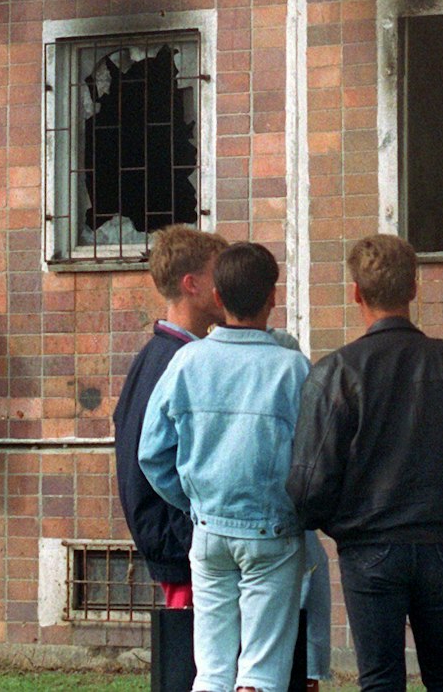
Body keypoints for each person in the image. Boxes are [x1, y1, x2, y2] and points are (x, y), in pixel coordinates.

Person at [288, 234, 443, 692]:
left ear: (356, 292)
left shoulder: (336, 373)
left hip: (368, 548)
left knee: (379, 680)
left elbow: (309, 486)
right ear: (414, 288)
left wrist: (338, 522)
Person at [141, 242, 311, 692]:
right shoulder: (293, 369)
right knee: (262, 669)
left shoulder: (186, 361)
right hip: (273, 530)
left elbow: (151, 454)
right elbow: (315, 457)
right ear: (272, 297)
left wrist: (194, 501)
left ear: (217, 298)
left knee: (212, 669)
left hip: (208, 529)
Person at [114, 226, 228, 612]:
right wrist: (192, 532)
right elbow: (150, 460)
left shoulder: (159, 355)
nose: (227, 285)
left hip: (178, 545)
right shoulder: (176, 362)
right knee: (199, 664)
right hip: (183, 551)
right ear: (192, 284)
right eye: (219, 275)